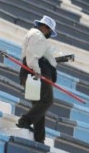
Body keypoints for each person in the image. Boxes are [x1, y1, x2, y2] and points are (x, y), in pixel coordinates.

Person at [16, 15, 58, 144]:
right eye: (49, 31)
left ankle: (39, 138)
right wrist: (37, 72)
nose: (49, 34)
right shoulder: (38, 36)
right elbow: (33, 56)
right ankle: (25, 120)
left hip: (29, 71)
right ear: (45, 27)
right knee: (47, 101)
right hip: (37, 72)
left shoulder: (32, 34)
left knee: (39, 106)